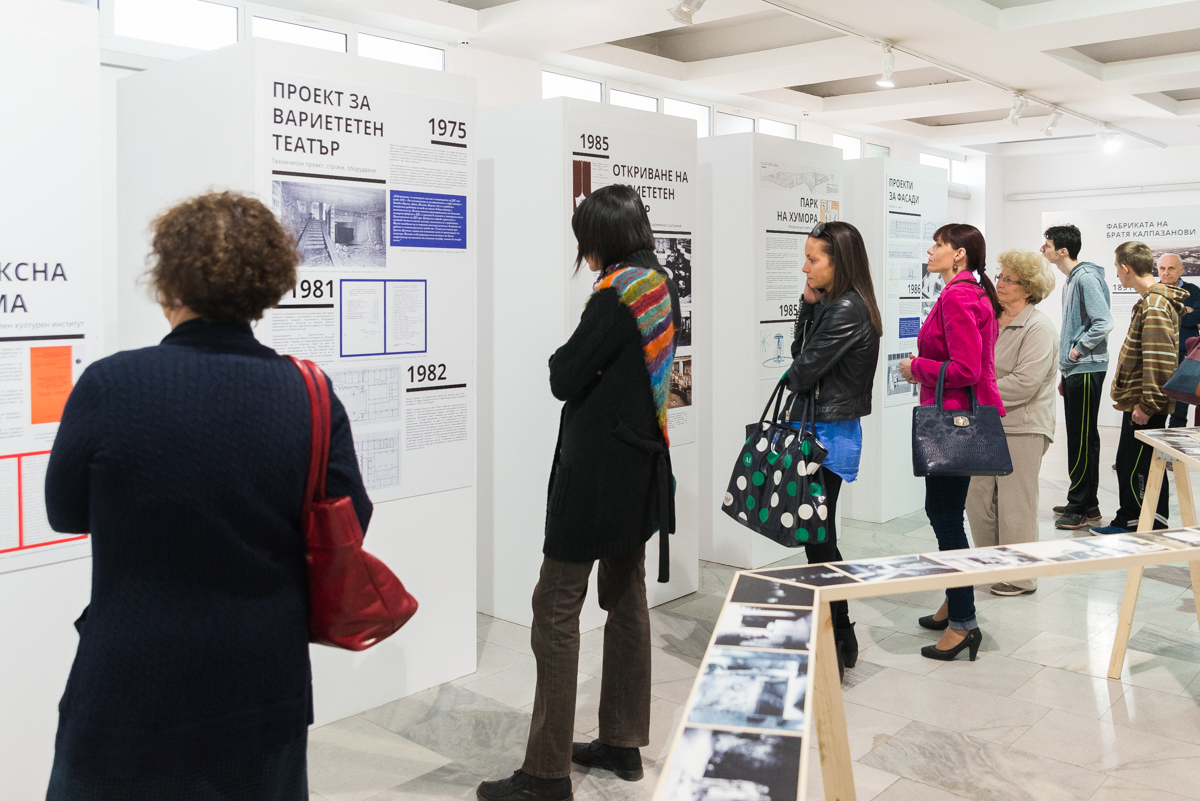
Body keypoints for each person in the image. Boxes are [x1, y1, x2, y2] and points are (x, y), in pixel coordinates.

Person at [43, 192, 371, 801]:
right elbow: (353, 517)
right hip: (264, 685)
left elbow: (64, 513)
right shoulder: (309, 392)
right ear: (266, 286)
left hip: (132, 685)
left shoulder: (111, 383)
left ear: (168, 281)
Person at [478, 184, 680, 801]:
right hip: (638, 467)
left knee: (555, 609)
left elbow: (564, 376)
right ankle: (622, 741)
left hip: (595, 477)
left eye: (586, 240)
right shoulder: (658, 282)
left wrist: (560, 359)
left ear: (603, 238)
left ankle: (545, 773)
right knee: (626, 597)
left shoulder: (616, 295)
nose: (583, 252)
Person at [899, 223, 1003, 662]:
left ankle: (963, 622)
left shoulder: (959, 296)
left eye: (938, 244)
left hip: (954, 421)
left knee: (945, 518)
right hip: (957, 418)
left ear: (959, 254)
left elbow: (966, 369)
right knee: (943, 513)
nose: (930, 250)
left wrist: (917, 368)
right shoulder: (967, 293)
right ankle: (953, 601)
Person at [782, 220, 881, 676]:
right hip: (825, 430)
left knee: (819, 540)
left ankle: (839, 634)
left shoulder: (845, 309)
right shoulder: (839, 303)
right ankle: (837, 634)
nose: (805, 268)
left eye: (813, 259)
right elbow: (801, 356)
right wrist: (808, 306)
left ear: (838, 263)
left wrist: (809, 312)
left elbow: (800, 371)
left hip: (825, 436)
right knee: (817, 537)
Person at [965, 250, 1058, 597]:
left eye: (1009, 279)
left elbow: (1024, 383)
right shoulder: (991, 318)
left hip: (1024, 426)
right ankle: (991, 564)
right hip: (985, 422)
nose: (999, 283)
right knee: (977, 498)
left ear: (1028, 288)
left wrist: (972, 390)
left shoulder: (1038, 327)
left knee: (1015, 503)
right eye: (1000, 277)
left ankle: (1020, 576)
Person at [1091, 241, 1187, 535]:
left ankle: (1132, 522)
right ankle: (1152, 521)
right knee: (1143, 463)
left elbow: (1159, 360)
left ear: (1125, 268)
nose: (1117, 274)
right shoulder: (1153, 301)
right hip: (1141, 401)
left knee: (1135, 464)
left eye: (1117, 268)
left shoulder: (1154, 304)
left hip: (1143, 404)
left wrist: (1147, 405)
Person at [1041, 224, 1113, 530]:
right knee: (1083, 437)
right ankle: (1089, 503)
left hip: (1086, 367)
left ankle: (1078, 505)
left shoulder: (1084, 277)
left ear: (1063, 251)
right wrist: (1066, 370)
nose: (1042, 249)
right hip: (1077, 370)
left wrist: (1076, 352)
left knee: (1082, 439)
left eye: (1046, 245)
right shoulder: (1073, 279)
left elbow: (1103, 322)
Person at [1154, 253, 1200, 427]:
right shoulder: (1153, 291)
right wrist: (1185, 310)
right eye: (1162, 268)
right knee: (1157, 406)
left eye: (1171, 268)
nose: (1166, 273)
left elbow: (1198, 316)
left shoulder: (1193, 290)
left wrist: (1170, 314)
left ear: (1181, 270)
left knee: (1180, 409)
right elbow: (1153, 321)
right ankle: (1156, 440)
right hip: (1158, 356)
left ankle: (1175, 442)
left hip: (1184, 357)